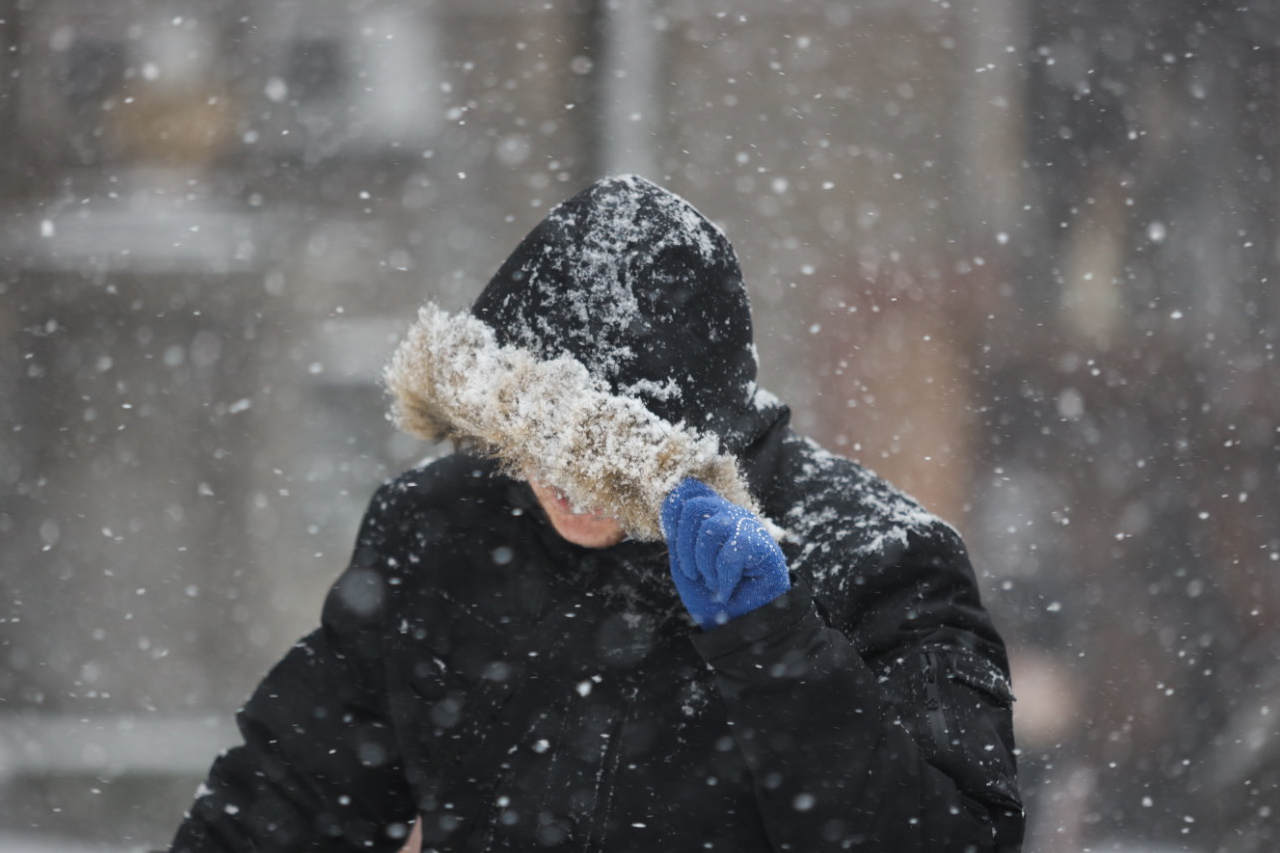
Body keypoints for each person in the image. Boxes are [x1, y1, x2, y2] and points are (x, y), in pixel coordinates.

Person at [168, 175, 1023, 852]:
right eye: (534, 440)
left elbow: (956, 838)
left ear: (694, 438)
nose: (563, 485)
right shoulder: (442, 530)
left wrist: (776, 648)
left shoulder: (876, 556)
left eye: (603, 464)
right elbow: (290, 798)